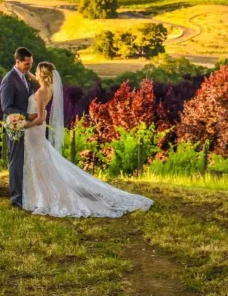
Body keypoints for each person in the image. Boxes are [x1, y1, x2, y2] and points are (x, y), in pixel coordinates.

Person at [20, 61, 153, 218]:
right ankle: (38, 192)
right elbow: (38, 85)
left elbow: (41, 118)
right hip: (36, 131)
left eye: (36, 71)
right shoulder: (47, 88)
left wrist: (25, 126)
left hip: (34, 129)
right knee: (38, 160)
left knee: (37, 160)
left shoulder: (42, 91)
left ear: (41, 75)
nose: (34, 73)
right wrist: (25, 71)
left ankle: (41, 195)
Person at [0, 47, 37, 209]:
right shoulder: (9, 80)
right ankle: (16, 199)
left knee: (25, 161)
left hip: (27, 127)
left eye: (31, 64)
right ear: (17, 61)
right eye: (26, 64)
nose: (29, 67)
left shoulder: (25, 77)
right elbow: (6, 107)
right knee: (16, 161)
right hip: (15, 125)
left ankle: (26, 193)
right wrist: (28, 116)